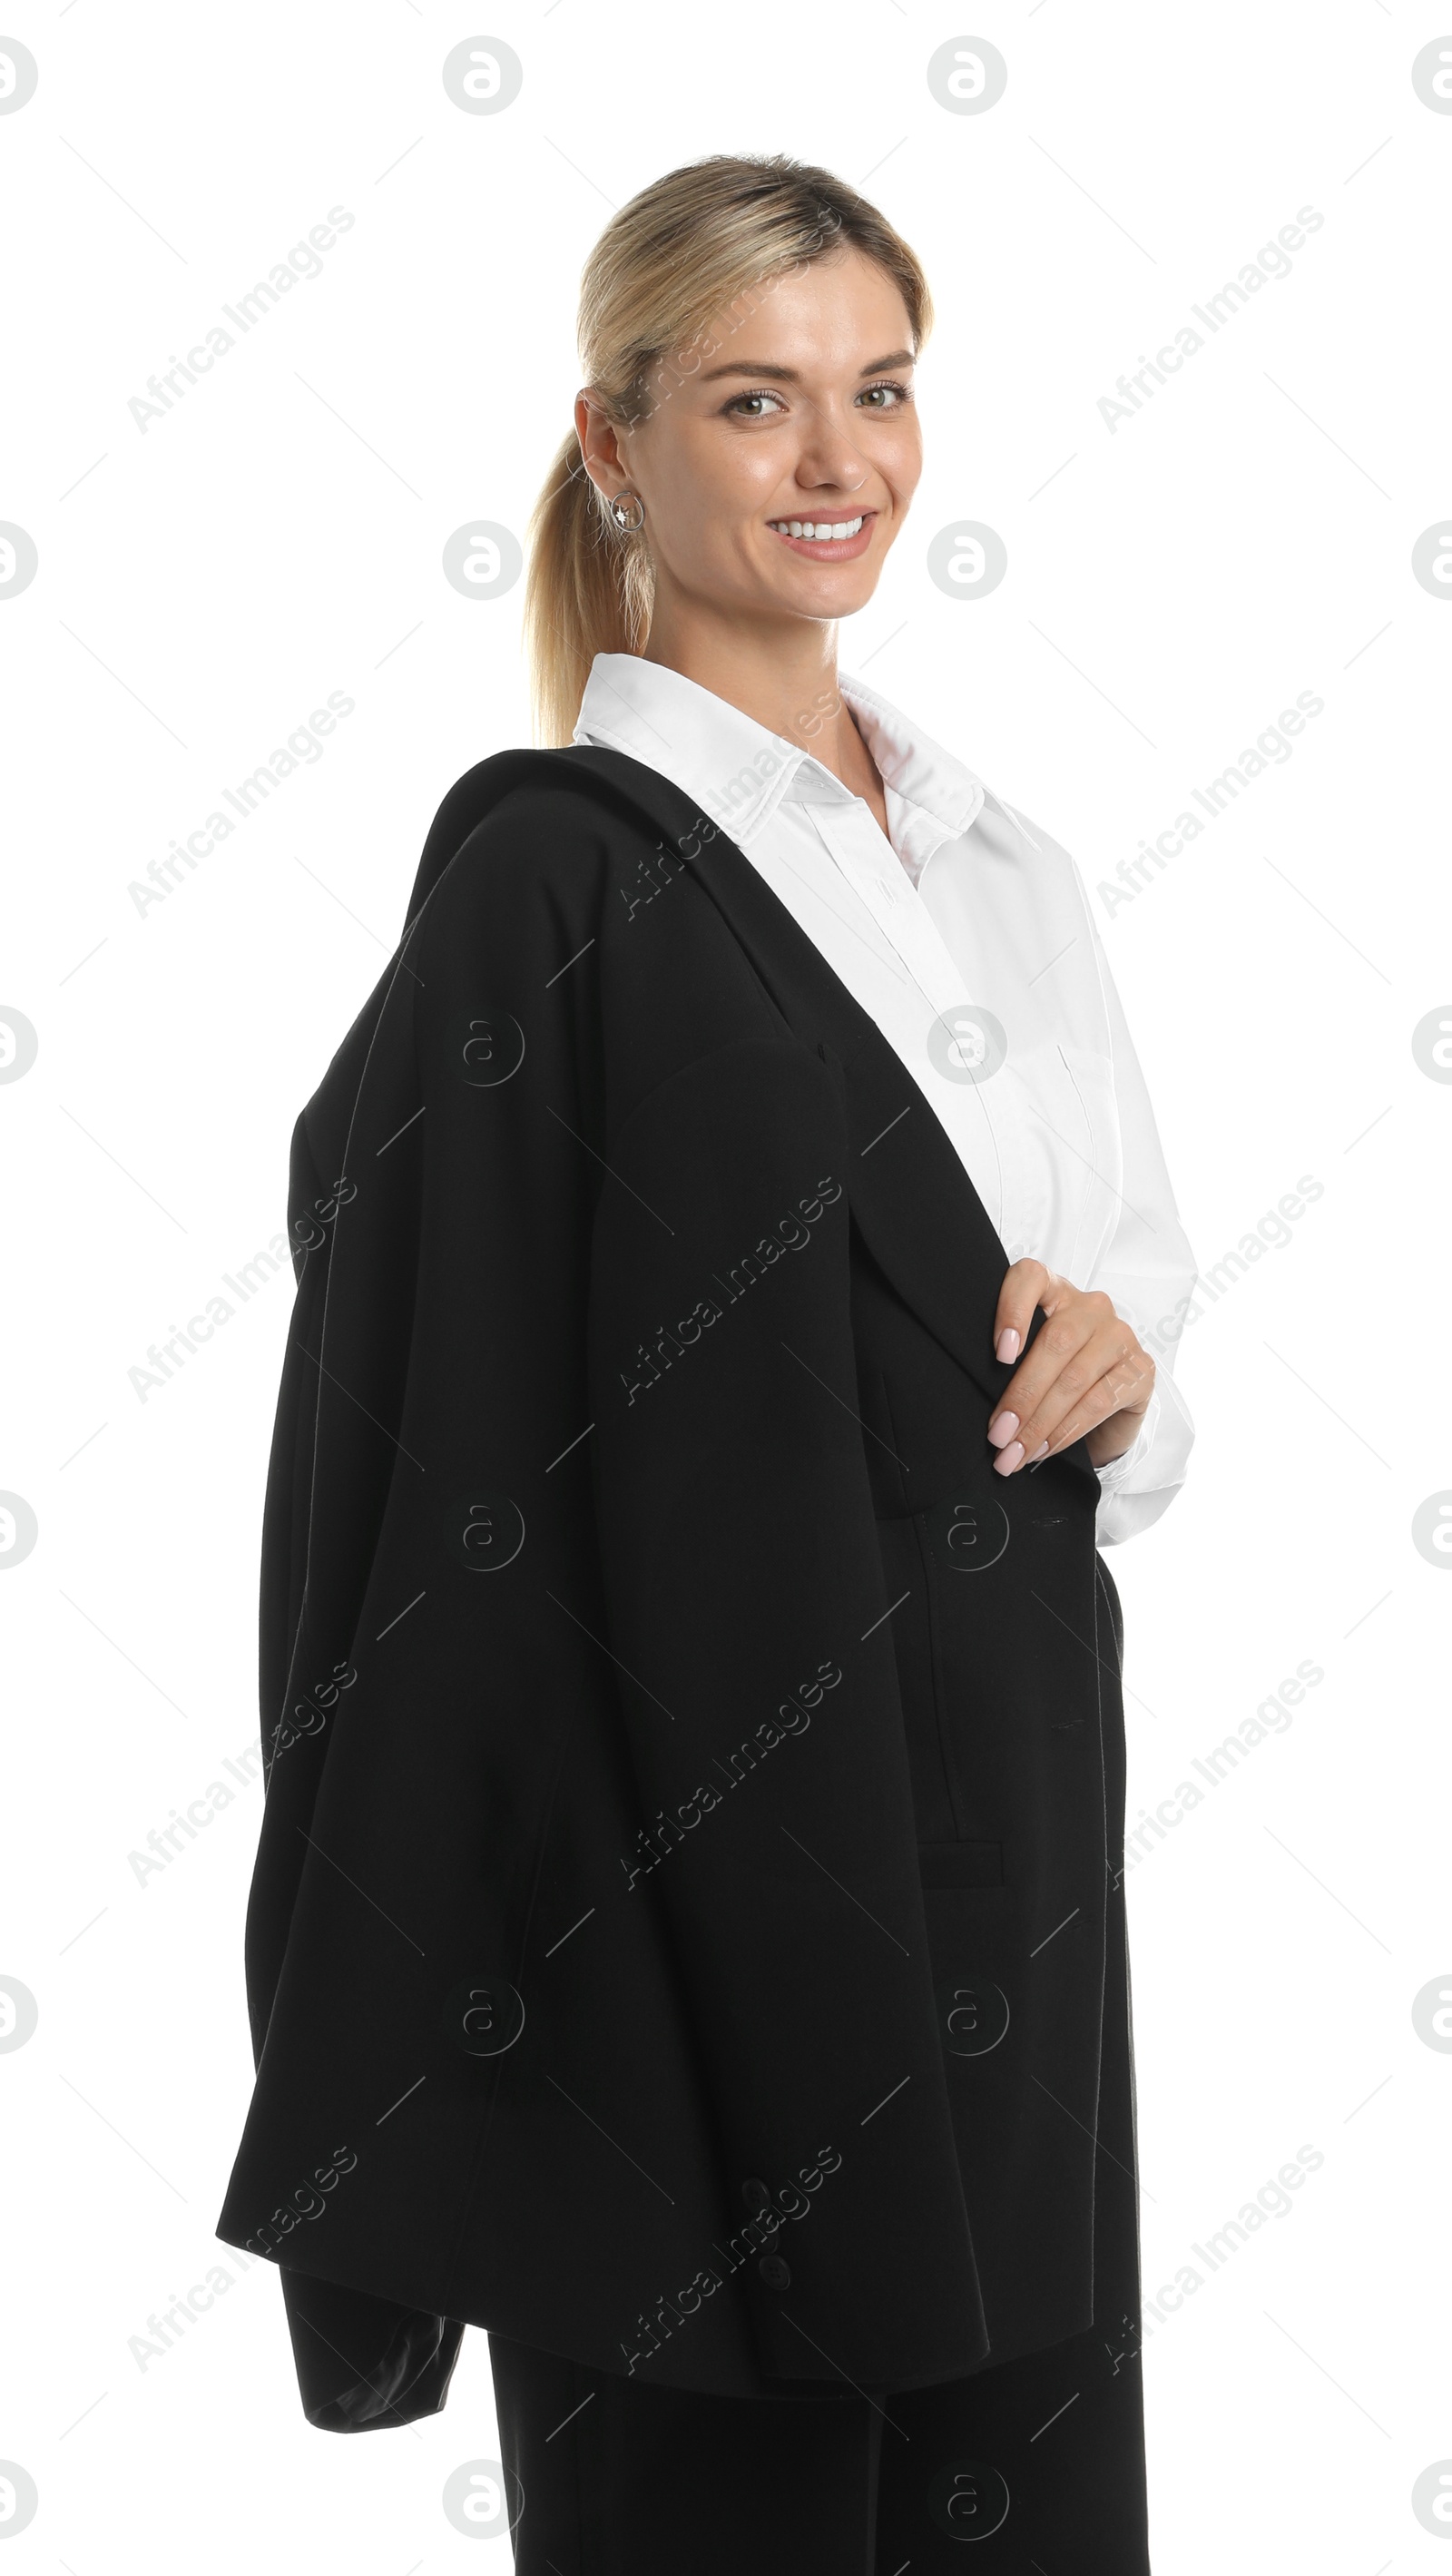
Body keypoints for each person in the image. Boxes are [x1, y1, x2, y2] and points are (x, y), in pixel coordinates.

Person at [216, 153, 1197, 2574]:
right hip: (697, 1899)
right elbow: (431, 1448)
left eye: (877, 389)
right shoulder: (559, 869)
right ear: (617, 443)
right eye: (756, 400)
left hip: (1006, 1853)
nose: (835, 456)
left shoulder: (1001, 863)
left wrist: (1119, 1361)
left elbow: (1123, 1335)